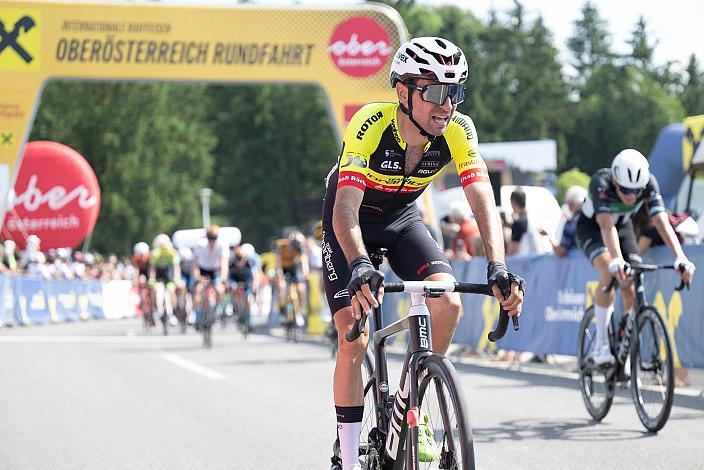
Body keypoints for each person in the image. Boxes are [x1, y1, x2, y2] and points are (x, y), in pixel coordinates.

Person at [322, 37, 525, 470]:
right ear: (402, 92)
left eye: (455, 91)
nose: (445, 104)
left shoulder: (457, 129)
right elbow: (344, 209)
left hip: (401, 220)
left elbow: (481, 196)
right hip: (351, 221)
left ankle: (413, 396)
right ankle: (350, 450)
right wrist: (359, 263)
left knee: (447, 302)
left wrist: (498, 265)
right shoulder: (370, 123)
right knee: (351, 335)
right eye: (433, 91)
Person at [576, 149, 695, 366]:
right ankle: (601, 344)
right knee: (609, 273)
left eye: (636, 191)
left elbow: (661, 221)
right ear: (614, 180)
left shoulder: (650, 183)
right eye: (625, 190)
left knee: (630, 285)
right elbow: (605, 224)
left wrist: (681, 257)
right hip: (592, 229)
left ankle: (624, 344)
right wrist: (616, 259)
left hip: (622, 227)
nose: (631, 196)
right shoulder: (601, 182)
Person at [193, 225, 228, 320]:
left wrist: (223, 277)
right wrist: (197, 276)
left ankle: (216, 309)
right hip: (203, 269)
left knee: (220, 290)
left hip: (214, 270)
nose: (212, 241)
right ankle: (197, 316)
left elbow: (224, 263)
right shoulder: (201, 245)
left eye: (214, 239)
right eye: (210, 239)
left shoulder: (222, 245)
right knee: (198, 290)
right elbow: (195, 264)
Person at [540, 185, 587, 257]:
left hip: (580, 265)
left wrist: (548, 235)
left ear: (570, 204)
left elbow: (560, 252)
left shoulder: (571, 224)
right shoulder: (596, 218)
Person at [275, 230, 310, 323]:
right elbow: (278, 262)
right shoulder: (281, 245)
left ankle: (298, 312)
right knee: (282, 287)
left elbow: (304, 261)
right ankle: (282, 310)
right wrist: (279, 274)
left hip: (293, 268)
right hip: (283, 268)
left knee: (300, 289)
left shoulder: (299, 248)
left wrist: (305, 273)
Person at [149, 233, 181, 324]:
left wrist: (176, 278)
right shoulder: (155, 254)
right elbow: (152, 268)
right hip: (159, 275)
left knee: (171, 291)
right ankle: (155, 309)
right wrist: (152, 279)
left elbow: (176, 268)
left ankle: (173, 313)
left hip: (169, 274)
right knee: (154, 289)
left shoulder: (172, 253)